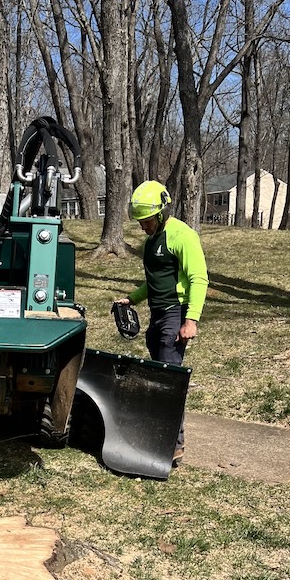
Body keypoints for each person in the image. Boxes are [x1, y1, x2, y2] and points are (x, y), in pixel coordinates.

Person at [115, 180, 208, 467]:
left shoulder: (182, 235)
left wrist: (190, 320)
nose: (142, 226)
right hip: (157, 316)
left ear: (159, 214)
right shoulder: (151, 241)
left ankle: (173, 445)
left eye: (145, 221)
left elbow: (198, 279)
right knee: (160, 379)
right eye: (139, 221)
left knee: (170, 381)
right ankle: (161, 436)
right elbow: (155, 281)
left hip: (174, 315)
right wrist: (132, 299)